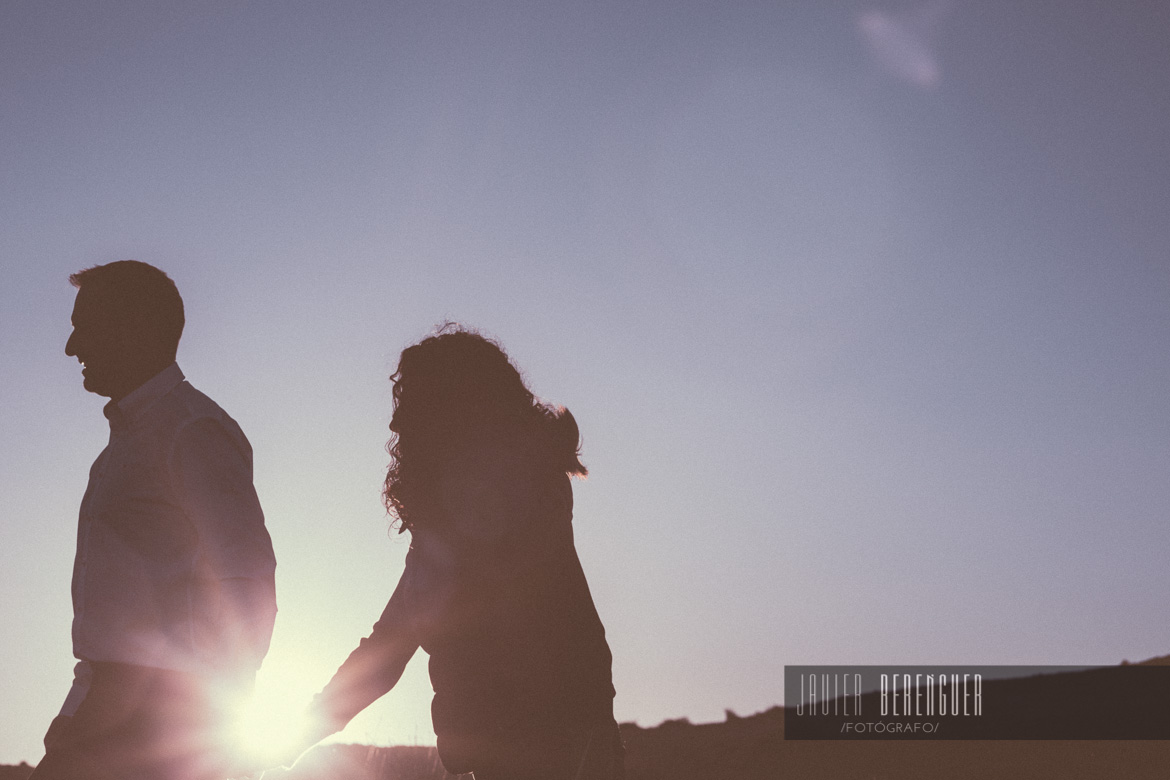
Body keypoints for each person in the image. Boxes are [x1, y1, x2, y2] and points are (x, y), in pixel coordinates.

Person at [285, 327, 623, 780]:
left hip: (548, 752)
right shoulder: (474, 508)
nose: (395, 424)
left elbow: (398, 640)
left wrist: (292, 736)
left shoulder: (503, 494)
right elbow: (391, 644)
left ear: (451, 406)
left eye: (411, 403)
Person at [32, 260, 278, 780]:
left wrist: (202, 738)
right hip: (105, 713)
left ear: (133, 328)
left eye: (85, 326)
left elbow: (248, 582)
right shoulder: (121, 448)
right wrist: (74, 717)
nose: (71, 346)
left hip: (163, 728)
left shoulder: (192, 429)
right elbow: (109, 629)